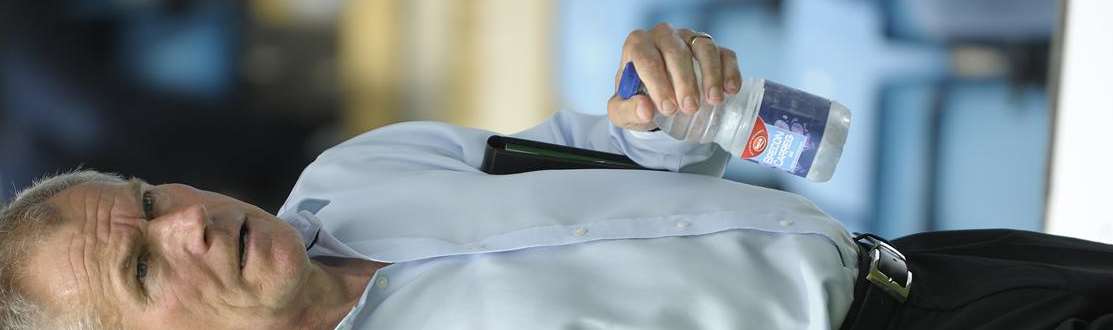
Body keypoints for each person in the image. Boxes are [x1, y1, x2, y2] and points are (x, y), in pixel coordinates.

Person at [2, 23, 1112, 330]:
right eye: (145, 270)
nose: (186, 224)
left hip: (936, 272)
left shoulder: (355, 169)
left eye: (149, 202)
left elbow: (610, 158)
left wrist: (660, 107)